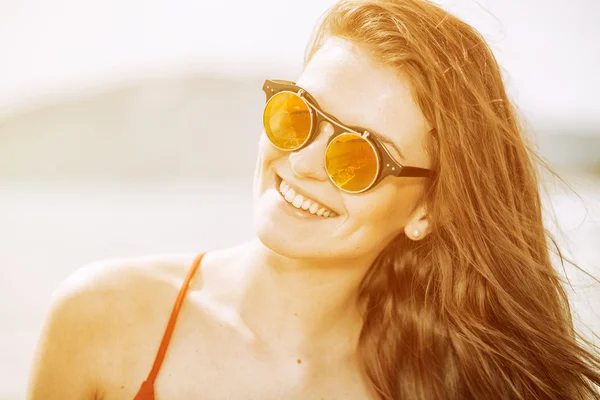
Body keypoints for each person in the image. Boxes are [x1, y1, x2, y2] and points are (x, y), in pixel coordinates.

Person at [27, 0, 600, 399]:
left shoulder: (461, 384)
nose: (300, 163)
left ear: (430, 208)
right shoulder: (101, 317)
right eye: (297, 116)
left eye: (359, 154)